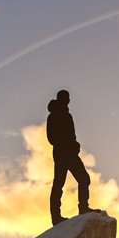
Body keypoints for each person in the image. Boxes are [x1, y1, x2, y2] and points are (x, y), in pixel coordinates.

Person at [46, 89, 93, 226]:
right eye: (66, 97)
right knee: (58, 185)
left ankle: (83, 207)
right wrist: (67, 144)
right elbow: (52, 138)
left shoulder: (68, 115)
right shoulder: (54, 115)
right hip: (62, 154)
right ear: (61, 99)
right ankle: (56, 217)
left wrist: (75, 145)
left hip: (71, 153)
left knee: (84, 179)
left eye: (68, 98)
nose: (68, 100)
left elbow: (71, 136)